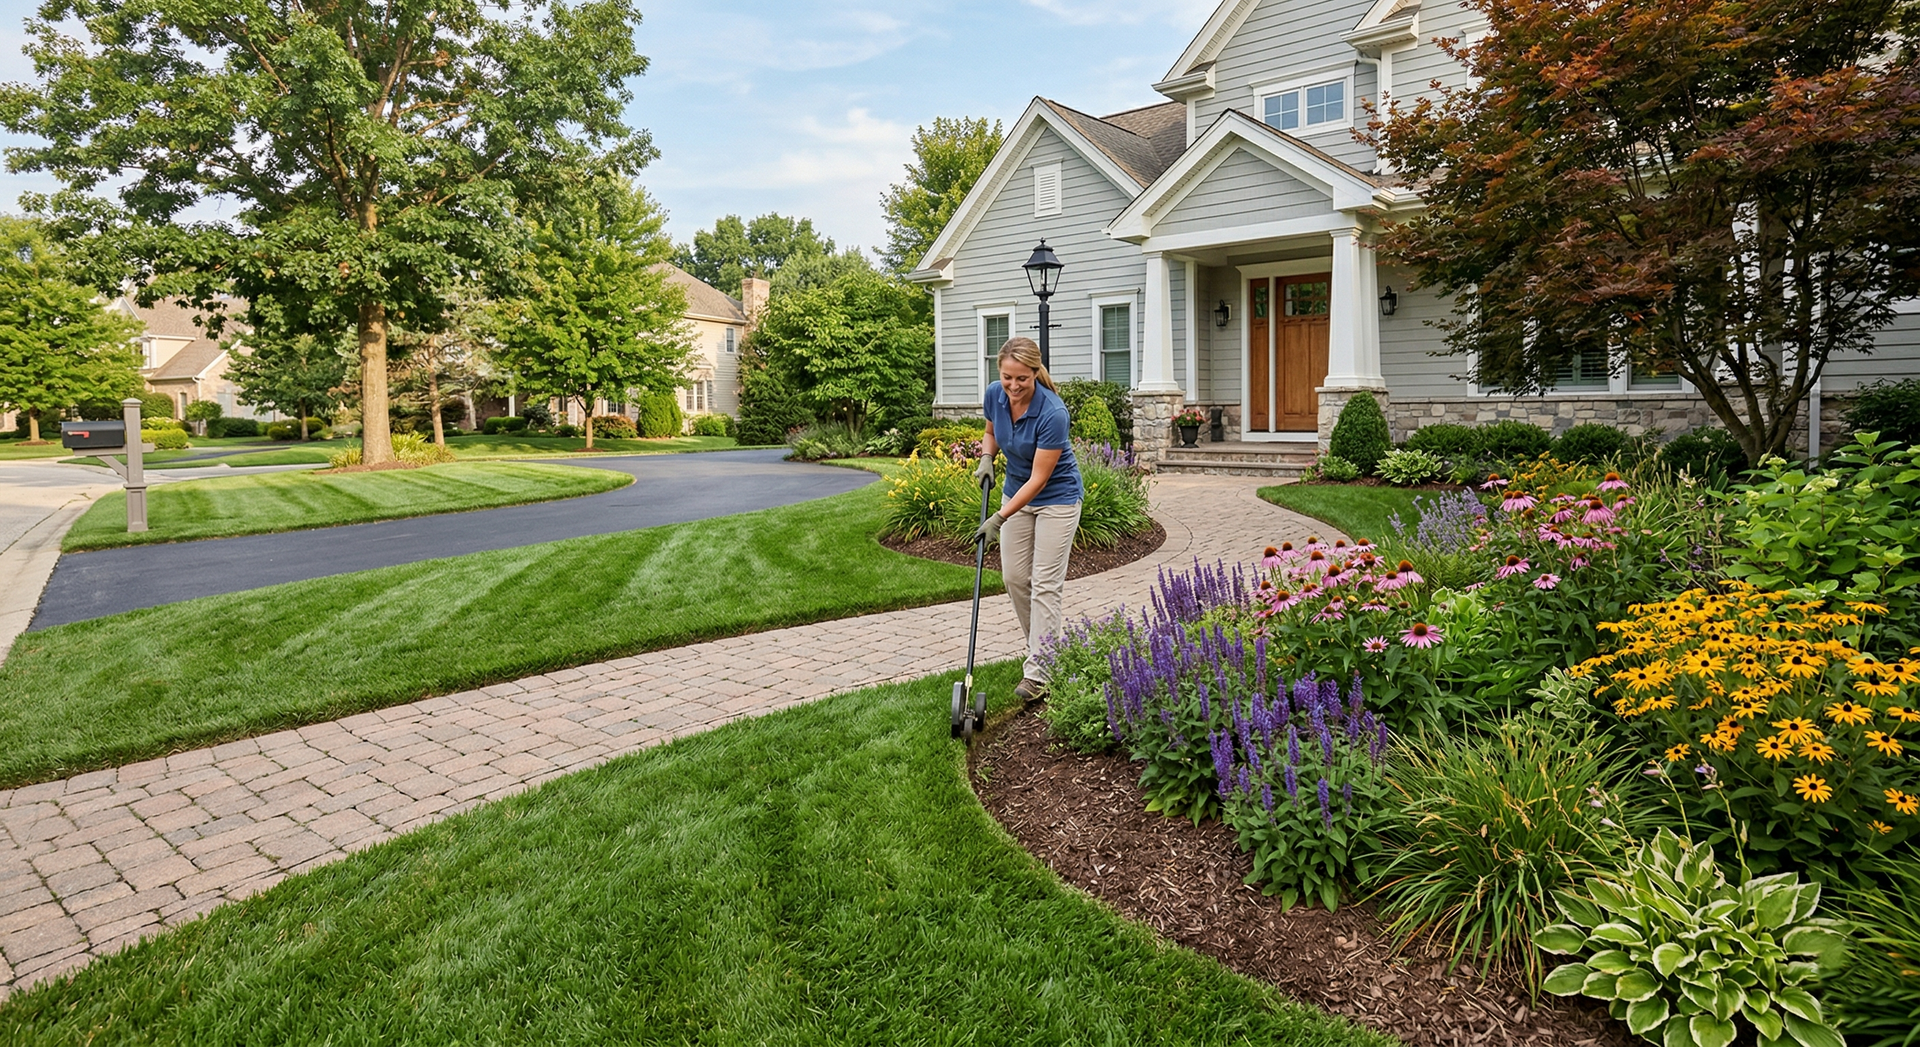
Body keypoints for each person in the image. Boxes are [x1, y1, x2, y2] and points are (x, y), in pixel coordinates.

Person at [974, 336, 1083, 703]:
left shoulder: (1052, 413)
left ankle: (1040, 671)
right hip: (1015, 493)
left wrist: (999, 518)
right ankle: (1045, 647)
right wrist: (987, 458)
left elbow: (1039, 479)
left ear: (1035, 373)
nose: (1014, 386)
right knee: (1015, 577)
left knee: (1045, 584)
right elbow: (991, 432)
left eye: (1022, 378)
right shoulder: (994, 394)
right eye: (1007, 377)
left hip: (1057, 499)